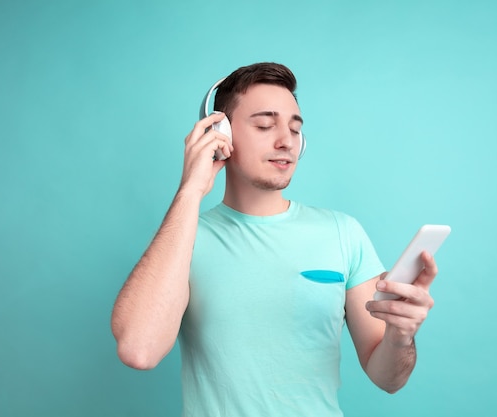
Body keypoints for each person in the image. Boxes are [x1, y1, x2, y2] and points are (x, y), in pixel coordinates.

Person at [110, 62, 438, 416]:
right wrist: (191, 190)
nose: (286, 142)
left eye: (295, 130)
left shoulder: (344, 233)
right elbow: (138, 350)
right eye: (265, 125)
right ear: (221, 133)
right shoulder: (183, 239)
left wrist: (400, 336)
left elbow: (389, 378)